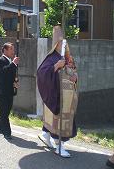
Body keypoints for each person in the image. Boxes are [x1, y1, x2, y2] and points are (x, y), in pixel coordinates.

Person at [37, 26, 78, 158]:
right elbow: (41, 73)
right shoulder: (51, 58)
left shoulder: (67, 58)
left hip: (68, 96)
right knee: (58, 120)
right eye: (61, 43)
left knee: (62, 119)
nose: (64, 45)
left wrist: (75, 77)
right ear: (56, 44)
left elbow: (73, 71)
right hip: (56, 95)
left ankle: (45, 134)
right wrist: (56, 66)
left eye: (65, 42)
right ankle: (59, 146)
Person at [0, 42, 19, 140]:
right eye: (11, 49)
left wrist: (15, 82)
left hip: (9, 90)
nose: (13, 51)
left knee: (6, 111)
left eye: (13, 49)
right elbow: (3, 72)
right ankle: (7, 132)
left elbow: (11, 75)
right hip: (2, 91)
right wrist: (13, 64)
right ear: (5, 50)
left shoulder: (11, 62)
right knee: (4, 113)